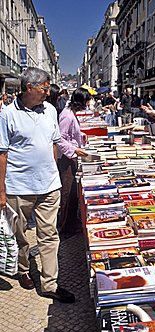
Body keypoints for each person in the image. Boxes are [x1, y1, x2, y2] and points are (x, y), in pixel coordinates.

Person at [0, 67, 75, 303]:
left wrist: (51, 169)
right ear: (29, 87)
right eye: (44, 86)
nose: (47, 90)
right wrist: (1, 190)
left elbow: (54, 143)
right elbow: (1, 154)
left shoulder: (51, 110)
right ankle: (23, 270)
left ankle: (50, 283)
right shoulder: (7, 114)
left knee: (49, 235)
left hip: (49, 186)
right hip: (18, 187)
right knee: (20, 235)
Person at [57, 88, 88, 236]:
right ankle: (65, 226)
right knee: (67, 192)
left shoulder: (71, 113)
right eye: (86, 102)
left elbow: (71, 134)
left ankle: (70, 222)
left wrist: (81, 135)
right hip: (66, 159)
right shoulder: (67, 115)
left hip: (70, 158)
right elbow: (60, 139)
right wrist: (75, 150)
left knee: (72, 191)